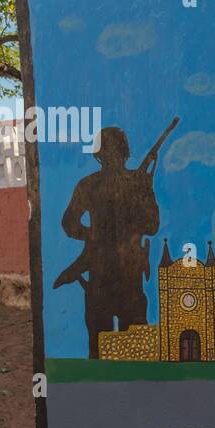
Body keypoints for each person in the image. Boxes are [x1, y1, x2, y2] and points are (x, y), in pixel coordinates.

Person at [54, 119, 177, 356]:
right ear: (125, 152)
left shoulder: (88, 184)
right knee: (132, 351)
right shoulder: (134, 183)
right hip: (125, 274)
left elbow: (70, 225)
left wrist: (92, 236)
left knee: (102, 348)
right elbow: (152, 226)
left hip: (106, 274)